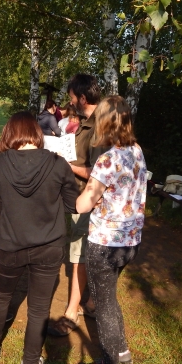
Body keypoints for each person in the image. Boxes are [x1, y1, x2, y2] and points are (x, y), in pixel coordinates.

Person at [0, 111, 79, 364]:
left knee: (0, 297)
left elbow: (0, 208)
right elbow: (73, 204)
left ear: (10, 134)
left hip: (10, 244)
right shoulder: (58, 165)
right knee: (39, 307)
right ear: (37, 133)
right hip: (48, 247)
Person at [75, 95, 147, 364]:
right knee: (110, 296)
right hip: (130, 242)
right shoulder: (137, 151)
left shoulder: (107, 160)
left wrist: (78, 194)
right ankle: (122, 350)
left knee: (103, 304)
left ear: (104, 123)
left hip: (105, 244)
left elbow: (83, 204)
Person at [48, 74, 103, 337]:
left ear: (82, 98)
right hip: (75, 197)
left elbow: (98, 172)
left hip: (89, 200)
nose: (69, 102)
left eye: (71, 98)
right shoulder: (81, 123)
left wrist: (65, 165)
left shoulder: (102, 126)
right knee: (77, 252)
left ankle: (72, 311)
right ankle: (89, 302)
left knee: (79, 256)